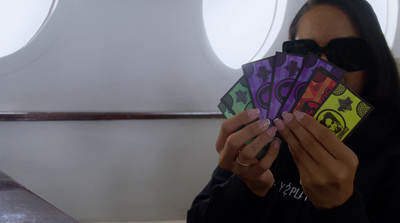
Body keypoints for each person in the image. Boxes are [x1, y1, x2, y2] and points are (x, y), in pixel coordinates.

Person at [187, 0, 400, 222]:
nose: (324, 68)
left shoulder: (392, 153)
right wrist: (247, 186)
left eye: (346, 52)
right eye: (305, 52)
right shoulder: (263, 130)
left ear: (374, 61)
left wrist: (338, 208)